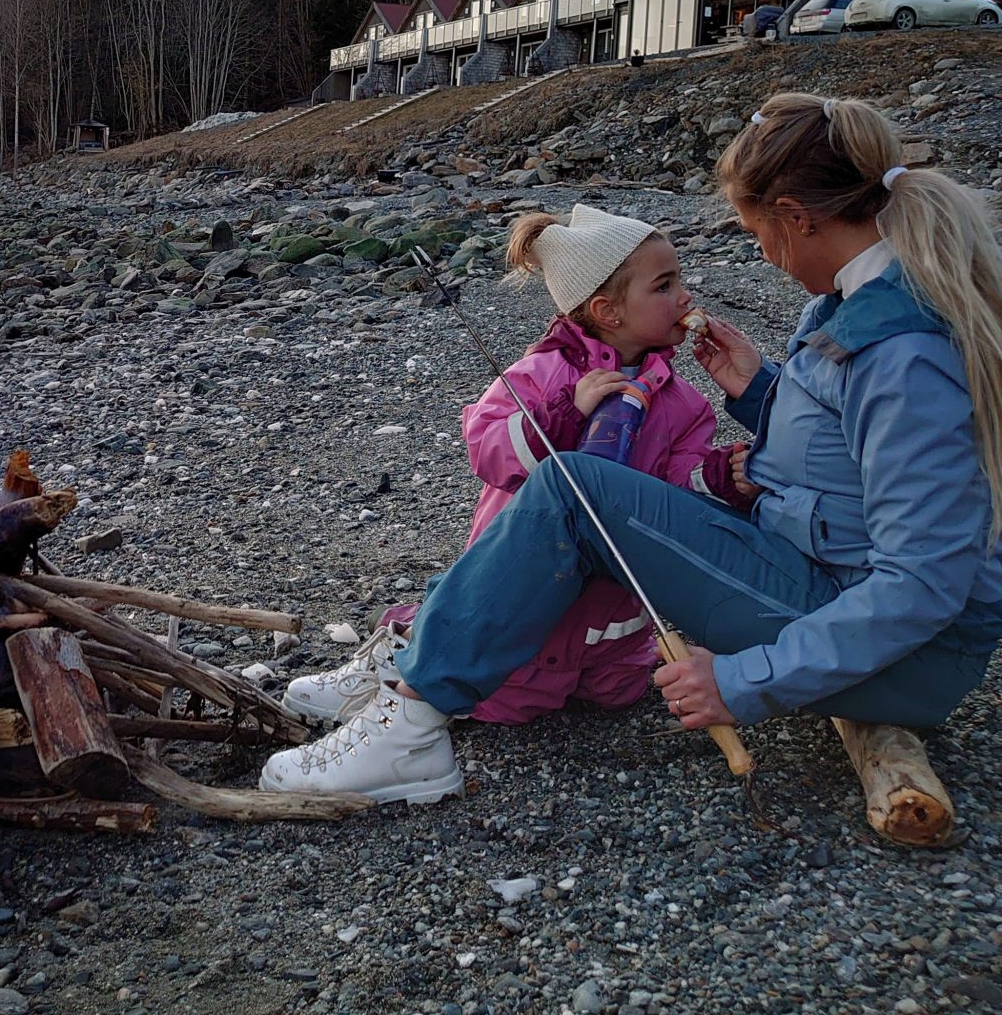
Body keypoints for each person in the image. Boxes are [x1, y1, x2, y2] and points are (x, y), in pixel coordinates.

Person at [262, 93, 1002, 801]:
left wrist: (745, 682)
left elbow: (923, 582)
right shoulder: (855, 300)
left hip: (907, 657)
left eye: (756, 236)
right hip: (822, 579)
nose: (766, 256)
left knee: (573, 490)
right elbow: (851, 450)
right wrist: (761, 393)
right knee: (579, 489)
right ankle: (417, 673)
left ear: (796, 218)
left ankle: (414, 727)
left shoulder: (904, 352)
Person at [281, 205, 753, 728]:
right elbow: (487, 450)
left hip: (614, 615)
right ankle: (411, 645)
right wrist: (564, 412)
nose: (685, 296)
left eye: (679, 280)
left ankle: (543, 660)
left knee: (618, 693)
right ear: (607, 310)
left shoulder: (683, 402)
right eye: (664, 286)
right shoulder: (540, 375)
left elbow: (673, 489)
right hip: (533, 595)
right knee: (505, 703)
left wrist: (718, 476)